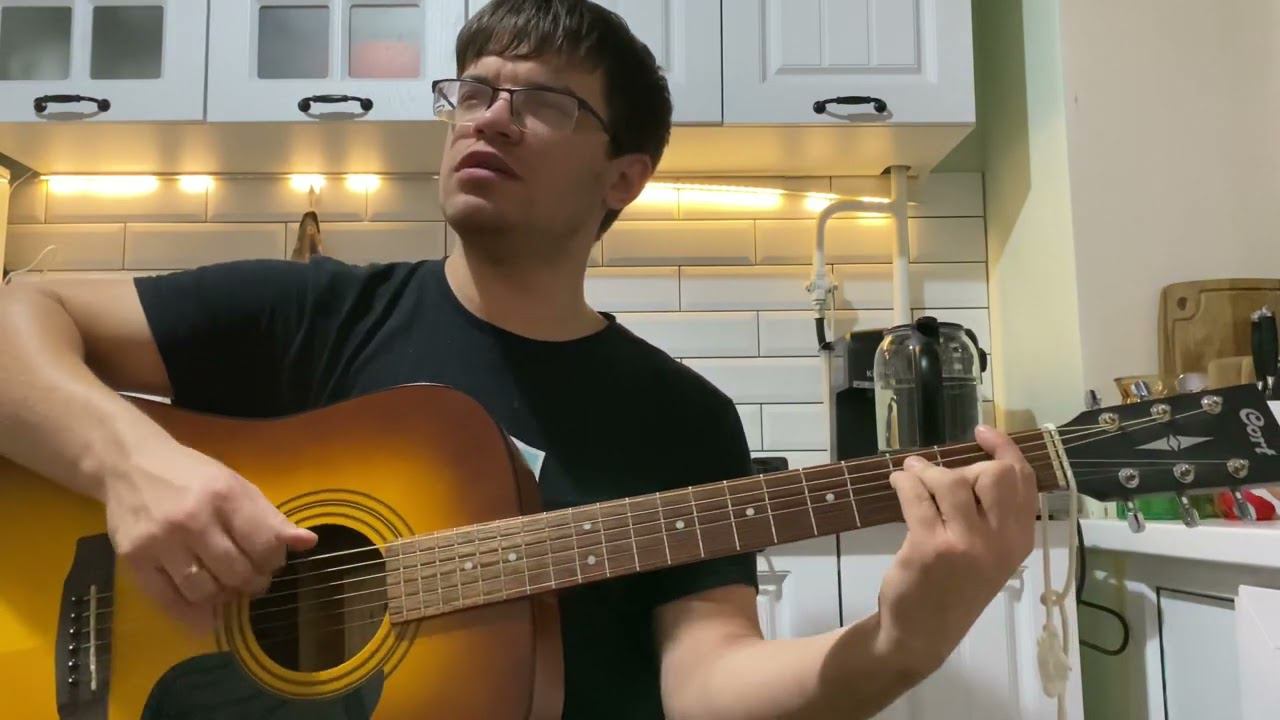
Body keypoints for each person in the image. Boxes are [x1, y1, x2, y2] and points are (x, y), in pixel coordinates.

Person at [0, 0, 1038, 717]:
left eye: (544, 102)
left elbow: (705, 686)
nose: (489, 118)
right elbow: (18, 317)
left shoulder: (678, 418)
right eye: (474, 91)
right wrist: (133, 467)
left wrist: (901, 641)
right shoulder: (314, 312)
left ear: (622, 178)